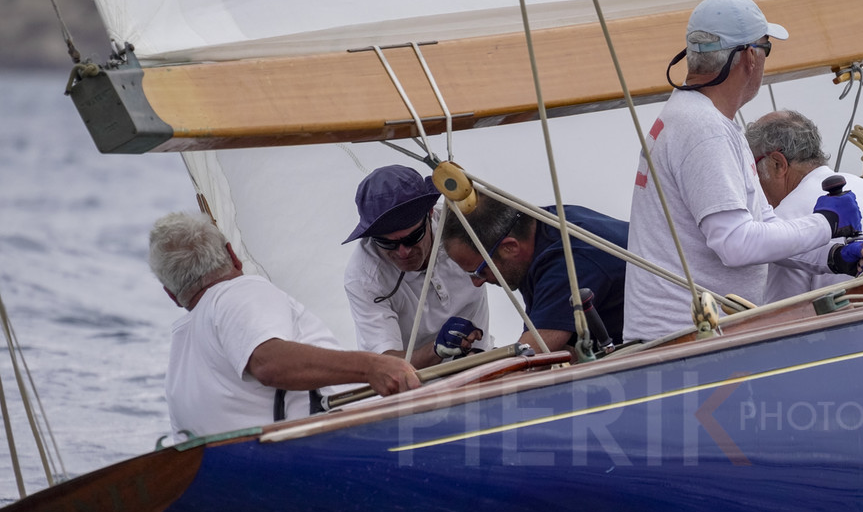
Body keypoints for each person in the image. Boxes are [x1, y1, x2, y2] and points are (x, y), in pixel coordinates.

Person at [623, 0, 863, 341]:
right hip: (685, 342)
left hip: (688, 340)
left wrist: (835, 256)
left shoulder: (701, 119)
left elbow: (765, 226)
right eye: (766, 48)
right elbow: (735, 243)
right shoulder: (704, 130)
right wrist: (827, 223)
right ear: (749, 57)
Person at [149, 211, 419, 437]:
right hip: (326, 451)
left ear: (171, 295)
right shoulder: (240, 291)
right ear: (232, 255)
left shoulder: (180, 355)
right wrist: (372, 366)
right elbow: (267, 363)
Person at [746, 109, 863, 300]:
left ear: (778, 163)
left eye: (752, 166)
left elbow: (782, 314)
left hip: (849, 325)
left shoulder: (781, 226)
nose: (751, 179)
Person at [342, 164, 491, 367]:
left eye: (413, 237)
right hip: (416, 388)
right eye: (387, 243)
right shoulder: (364, 275)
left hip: (484, 362)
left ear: (430, 213)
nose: (402, 252)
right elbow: (385, 363)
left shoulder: (465, 228)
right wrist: (436, 349)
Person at [440, 194, 629, 351]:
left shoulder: (568, 262)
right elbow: (558, 350)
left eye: (479, 271)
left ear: (510, 248)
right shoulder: (540, 226)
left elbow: (530, 360)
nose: (477, 283)